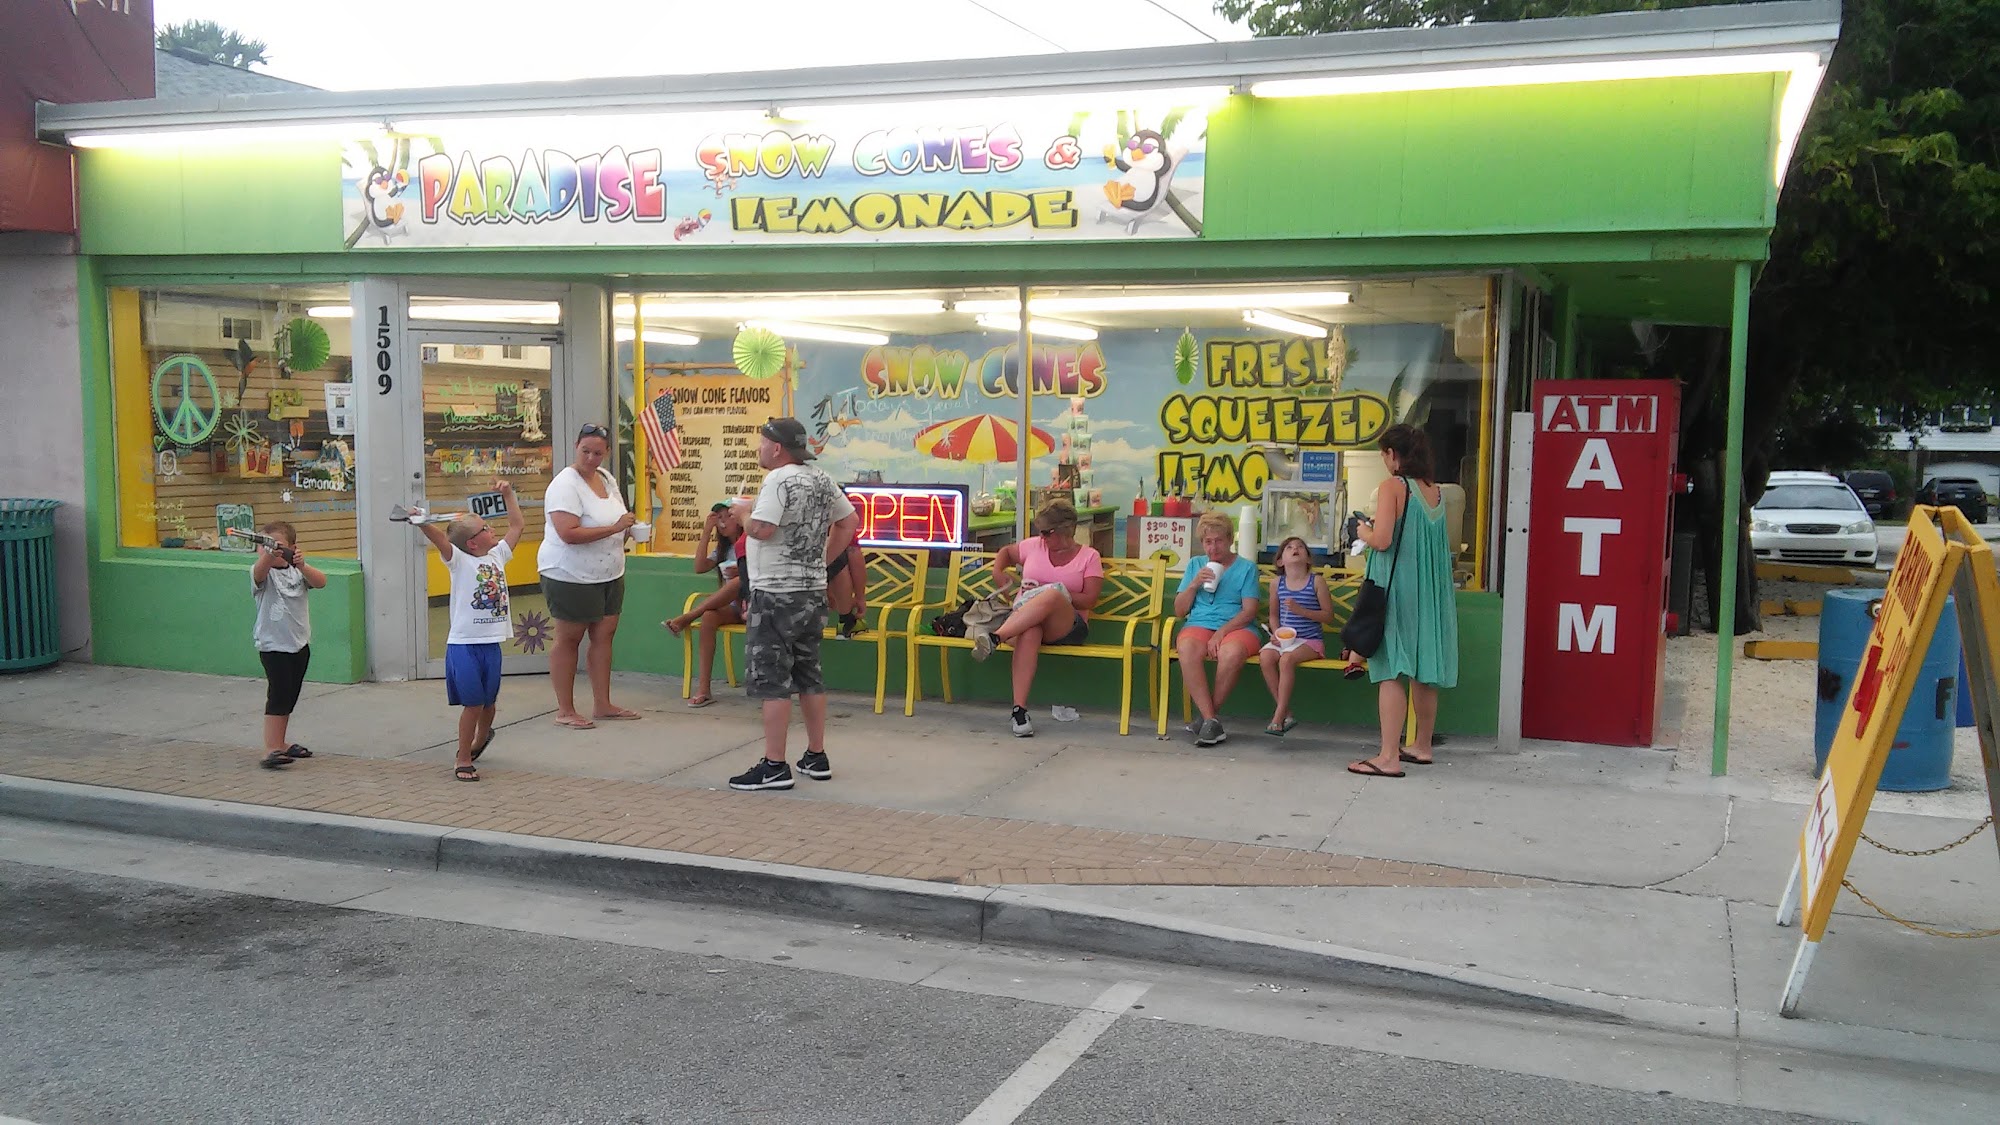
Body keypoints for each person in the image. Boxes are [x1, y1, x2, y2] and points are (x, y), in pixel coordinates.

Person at [727, 417, 860, 792]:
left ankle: (774, 765)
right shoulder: (821, 479)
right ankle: (816, 755)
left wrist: (742, 515)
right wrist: (820, 559)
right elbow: (850, 522)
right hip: (811, 590)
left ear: (776, 448)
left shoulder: (777, 480)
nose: (758, 449)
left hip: (775, 591)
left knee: (773, 680)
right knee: (809, 674)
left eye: (761, 442)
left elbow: (763, 530)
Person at [1348, 424, 1459, 778]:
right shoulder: (1435, 492)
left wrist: (1359, 530)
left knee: (1392, 668)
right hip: (1429, 592)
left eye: (1384, 453)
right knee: (1424, 669)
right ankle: (1422, 745)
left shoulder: (1392, 487)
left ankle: (1388, 756)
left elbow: (1381, 540)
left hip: (1396, 591)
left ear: (1393, 455)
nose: (1383, 460)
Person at [412, 480, 526, 782]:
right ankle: (463, 758)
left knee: (489, 703)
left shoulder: (497, 556)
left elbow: (517, 525)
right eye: (485, 529)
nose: (493, 531)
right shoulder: (458, 561)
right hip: (464, 645)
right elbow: (441, 540)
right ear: (473, 543)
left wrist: (508, 494)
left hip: (491, 643)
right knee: (473, 703)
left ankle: (480, 741)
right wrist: (423, 523)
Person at [540, 422, 639, 730]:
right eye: (586, 451)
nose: (592, 459)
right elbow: (568, 533)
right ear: (575, 447)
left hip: (608, 570)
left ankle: (603, 703)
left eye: (598, 453)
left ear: (607, 453)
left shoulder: (607, 479)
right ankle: (565, 708)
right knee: (570, 637)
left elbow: (618, 516)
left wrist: (627, 529)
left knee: (604, 634)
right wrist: (615, 528)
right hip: (570, 572)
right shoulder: (564, 485)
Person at [978, 499, 1104, 737]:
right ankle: (1019, 712)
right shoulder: (1034, 546)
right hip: (1026, 620)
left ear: (1065, 531)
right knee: (1031, 629)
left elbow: (1089, 600)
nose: (1042, 537)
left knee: (1053, 595)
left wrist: (1051, 590)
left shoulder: (1089, 557)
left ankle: (996, 638)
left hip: (1067, 624)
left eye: (1046, 533)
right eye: (1040, 532)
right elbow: (1006, 552)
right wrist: (998, 571)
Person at [1173, 511, 1261, 746]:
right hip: (1199, 624)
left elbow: (1249, 611)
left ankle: (1206, 719)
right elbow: (1180, 611)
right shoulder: (1195, 565)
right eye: (1208, 542)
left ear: (1230, 539)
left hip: (1237, 626)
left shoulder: (1247, 568)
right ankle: (1211, 720)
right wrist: (1194, 584)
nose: (1213, 547)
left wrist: (1222, 632)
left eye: (1219, 540)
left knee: (1231, 652)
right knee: (1187, 647)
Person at [249, 521, 326, 770]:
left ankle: (281, 743)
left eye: (276, 546)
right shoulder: (261, 573)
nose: (268, 550)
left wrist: (301, 564)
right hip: (273, 645)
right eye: (263, 545)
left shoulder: (296, 572)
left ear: (293, 547)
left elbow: (321, 582)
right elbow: (259, 573)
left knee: (290, 694)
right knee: (279, 694)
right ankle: (270, 747)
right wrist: (269, 555)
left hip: (299, 642)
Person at [664, 501, 746, 707]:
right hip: (735, 607)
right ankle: (704, 689)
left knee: (739, 580)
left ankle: (689, 617)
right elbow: (699, 567)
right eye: (719, 519)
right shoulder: (724, 550)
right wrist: (706, 531)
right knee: (709, 616)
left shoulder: (751, 542)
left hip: (757, 606)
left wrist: (744, 571)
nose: (723, 523)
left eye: (727, 517)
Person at [1260, 535, 1333, 736]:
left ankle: (1278, 716)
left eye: (1301, 547)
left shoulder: (1316, 582)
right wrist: (1276, 633)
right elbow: (1273, 615)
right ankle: (1287, 712)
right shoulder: (1277, 583)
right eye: (1289, 547)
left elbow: (1328, 616)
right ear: (1280, 561)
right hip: (1285, 639)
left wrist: (1301, 611)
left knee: (1286, 660)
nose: (1295, 549)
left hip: (1310, 642)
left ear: (1308, 559)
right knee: (1265, 657)